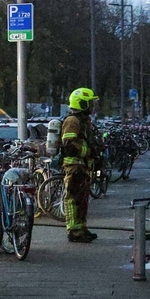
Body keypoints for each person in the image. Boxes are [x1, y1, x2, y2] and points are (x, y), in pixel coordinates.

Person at [61, 88, 100, 243]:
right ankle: (73, 230)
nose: (92, 106)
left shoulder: (84, 121)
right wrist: (88, 151)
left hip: (83, 166)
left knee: (82, 199)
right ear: (82, 104)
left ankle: (82, 228)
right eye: (90, 103)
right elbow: (69, 145)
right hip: (74, 166)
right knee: (73, 199)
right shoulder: (73, 121)